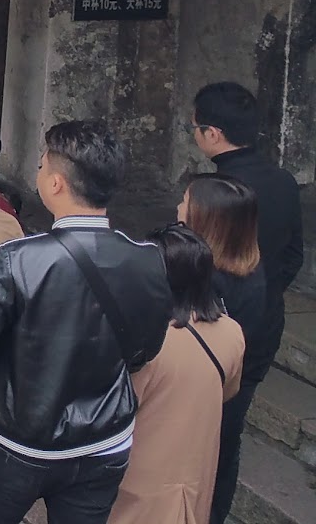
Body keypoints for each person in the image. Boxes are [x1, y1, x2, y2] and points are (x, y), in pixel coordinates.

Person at [0, 121, 171, 524]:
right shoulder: (147, 258)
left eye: (41, 166)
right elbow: (146, 347)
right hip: (105, 439)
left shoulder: (16, 259)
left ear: (56, 183)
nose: (38, 173)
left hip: (20, 439)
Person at [183, 86, 292, 524]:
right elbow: (293, 257)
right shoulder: (284, 182)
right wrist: (262, 293)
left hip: (211, 328)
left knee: (195, 437)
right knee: (228, 436)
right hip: (263, 325)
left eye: (194, 128)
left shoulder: (214, 193)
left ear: (212, 133)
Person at [109, 224, 246, 524]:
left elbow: (117, 407)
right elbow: (229, 390)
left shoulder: (147, 339)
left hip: (138, 479)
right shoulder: (232, 333)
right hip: (195, 476)